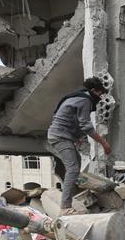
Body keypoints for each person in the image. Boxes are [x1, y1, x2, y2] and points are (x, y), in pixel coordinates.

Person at [47, 77, 112, 216]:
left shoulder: (77, 96)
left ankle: (71, 197)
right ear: (93, 90)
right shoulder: (85, 100)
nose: (100, 98)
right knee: (73, 168)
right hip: (60, 137)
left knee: (74, 169)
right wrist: (104, 143)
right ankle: (65, 207)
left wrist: (76, 137)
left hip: (61, 135)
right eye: (100, 94)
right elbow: (86, 126)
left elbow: (70, 119)